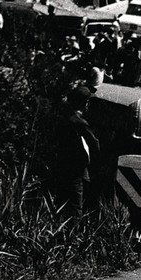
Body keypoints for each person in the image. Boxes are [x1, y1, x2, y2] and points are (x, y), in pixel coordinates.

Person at [56, 86, 99, 214]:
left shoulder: (63, 116)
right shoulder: (79, 122)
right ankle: (74, 230)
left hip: (62, 162)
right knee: (76, 202)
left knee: (62, 200)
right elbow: (94, 143)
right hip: (76, 167)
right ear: (84, 103)